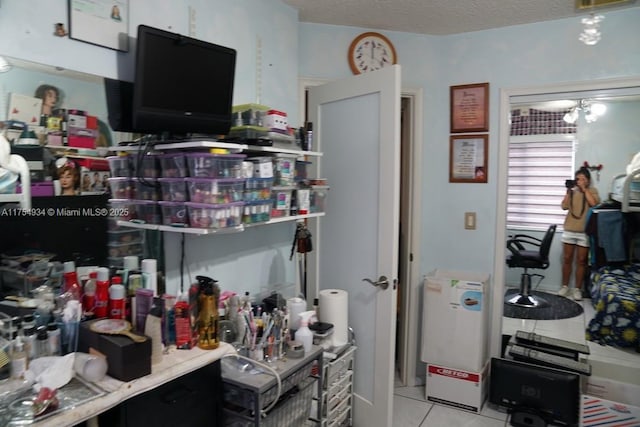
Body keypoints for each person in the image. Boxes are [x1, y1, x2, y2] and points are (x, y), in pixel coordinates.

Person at [559, 167, 600, 301]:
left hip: (584, 232)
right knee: (567, 259)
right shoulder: (572, 192)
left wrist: (584, 190)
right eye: (578, 179)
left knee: (581, 261)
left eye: (583, 179)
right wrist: (568, 192)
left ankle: (577, 289)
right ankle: (565, 286)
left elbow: (593, 204)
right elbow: (564, 206)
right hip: (569, 230)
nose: (580, 181)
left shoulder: (592, 191)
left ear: (588, 181)